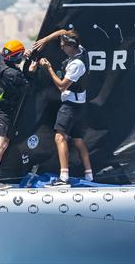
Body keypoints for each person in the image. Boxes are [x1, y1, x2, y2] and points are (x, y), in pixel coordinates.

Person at [34, 29, 93, 186]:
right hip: (80, 105)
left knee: (60, 137)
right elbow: (63, 31)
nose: (61, 47)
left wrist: (48, 68)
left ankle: (63, 178)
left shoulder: (76, 64)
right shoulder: (81, 50)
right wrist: (45, 40)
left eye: (63, 45)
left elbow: (62, 86)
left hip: (71, 106)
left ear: (71, 46)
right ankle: (90, 177)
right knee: (78, 140)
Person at [0, 40, 35, 188]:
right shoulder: (12, 74)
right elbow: (28, 87)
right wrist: (31, 69)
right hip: (3, 111)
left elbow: (13, 59)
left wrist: (24, 55)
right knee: (2, 143)